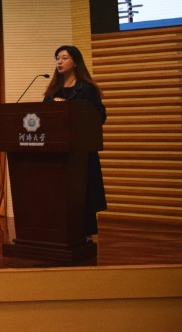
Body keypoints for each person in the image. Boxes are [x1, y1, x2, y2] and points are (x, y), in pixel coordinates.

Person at [43, 45, 107, 238]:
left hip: (81, 152)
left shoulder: (86, 88)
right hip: (58, 151)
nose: (59, 62)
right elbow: (44, 116)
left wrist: (73, 111)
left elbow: (99, 116)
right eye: (57, 58)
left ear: (76, 62)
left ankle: (85, 235)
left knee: (83, 194)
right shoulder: (53, 90)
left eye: (64, 58)